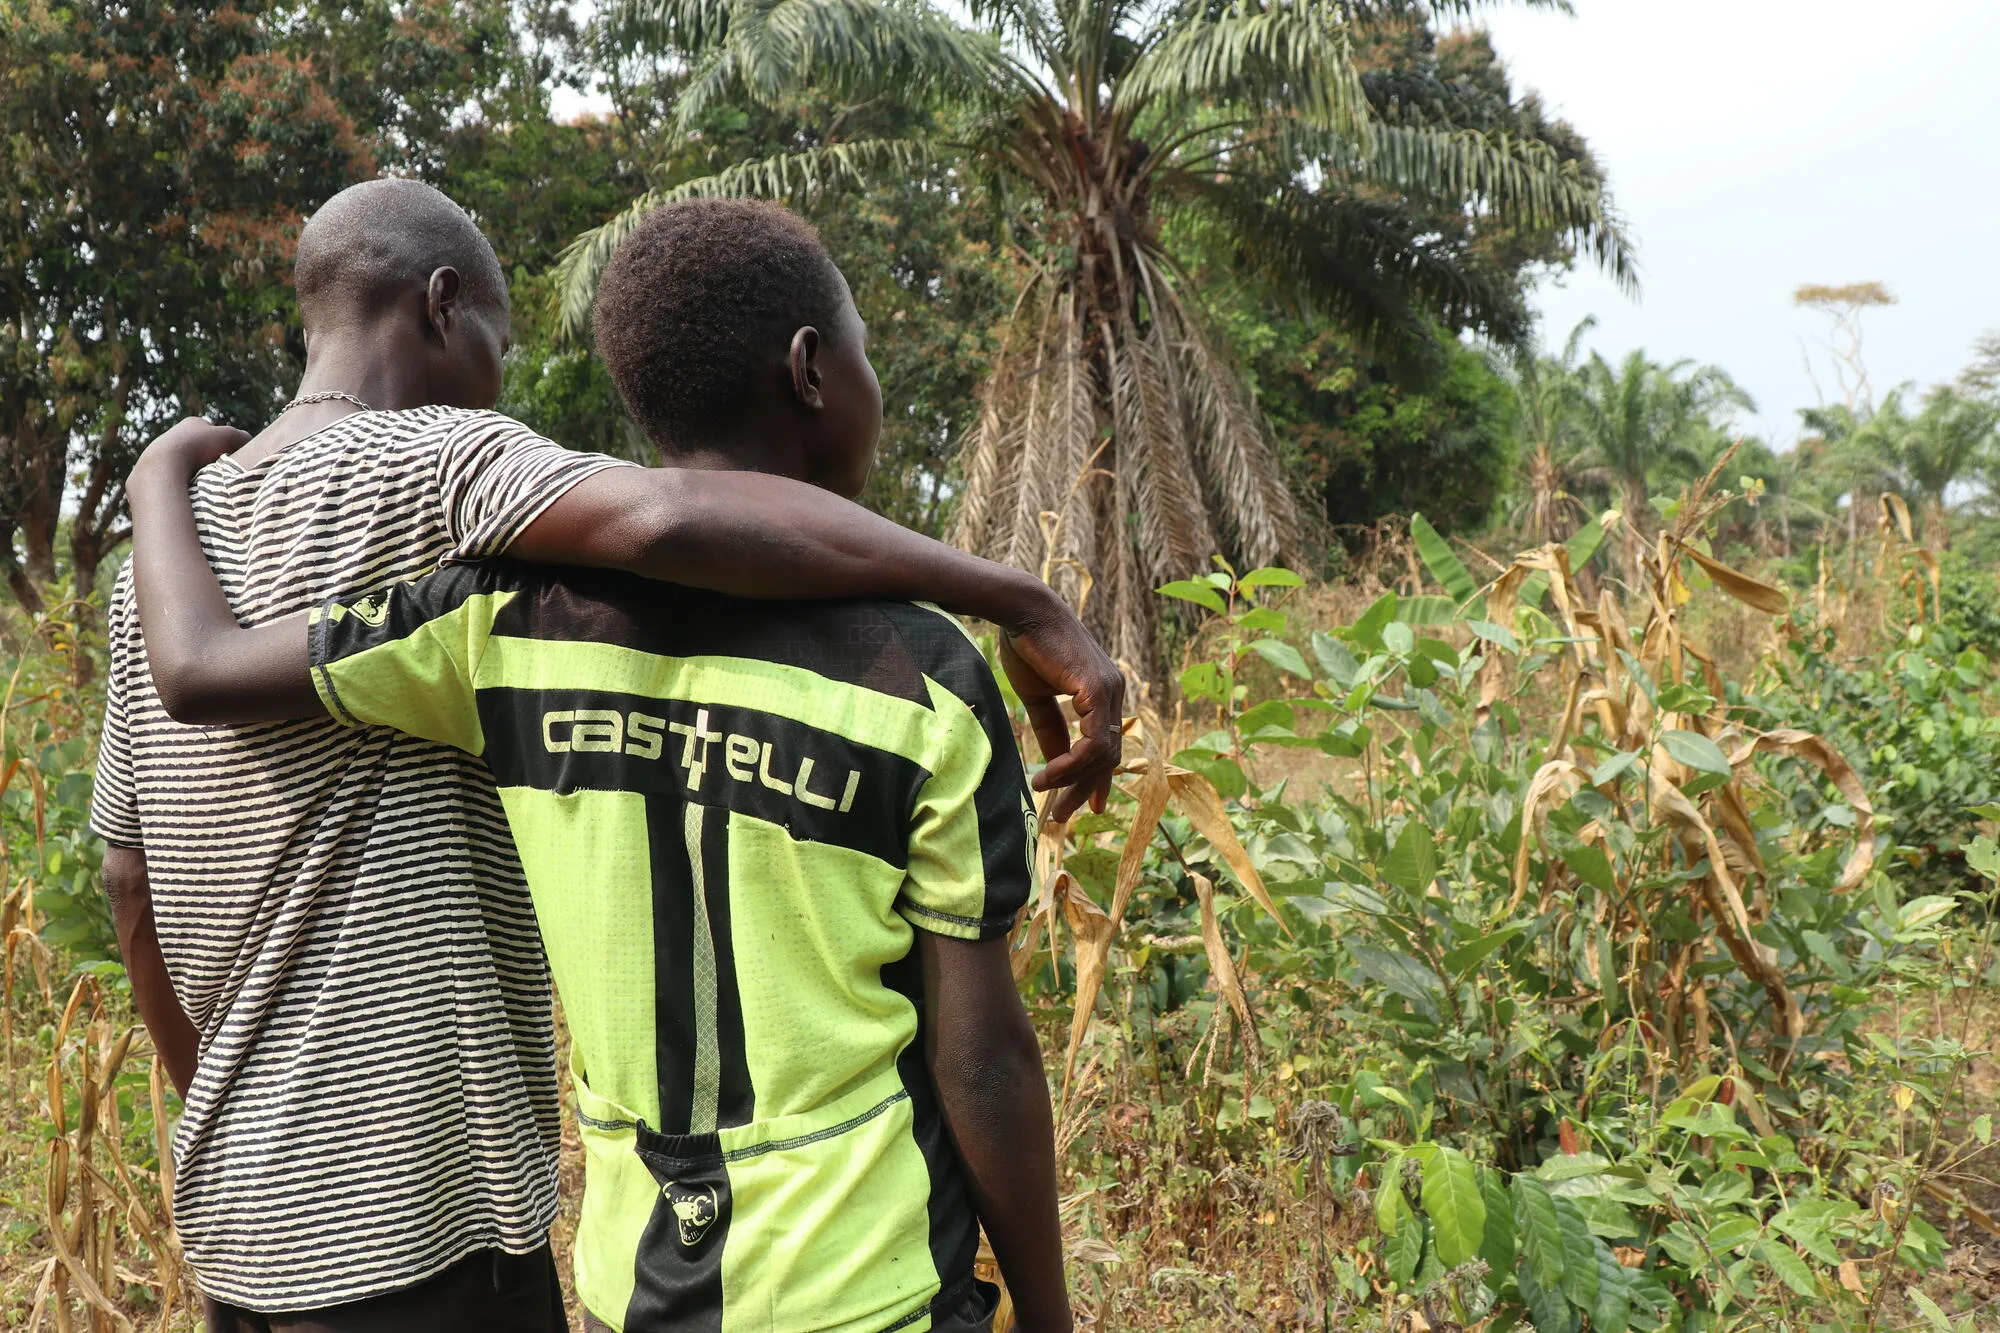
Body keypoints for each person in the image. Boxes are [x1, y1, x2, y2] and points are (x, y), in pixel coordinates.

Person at [95, 180, 1109, 1330]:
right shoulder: (458, 483)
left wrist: (152, 482)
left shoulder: (206, 572)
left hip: (281, 1211)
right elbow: (666, 520)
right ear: (441, 306)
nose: (502, 373)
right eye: (499, 337)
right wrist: (1013, 594)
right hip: (455, 1212)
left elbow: (134, 870)